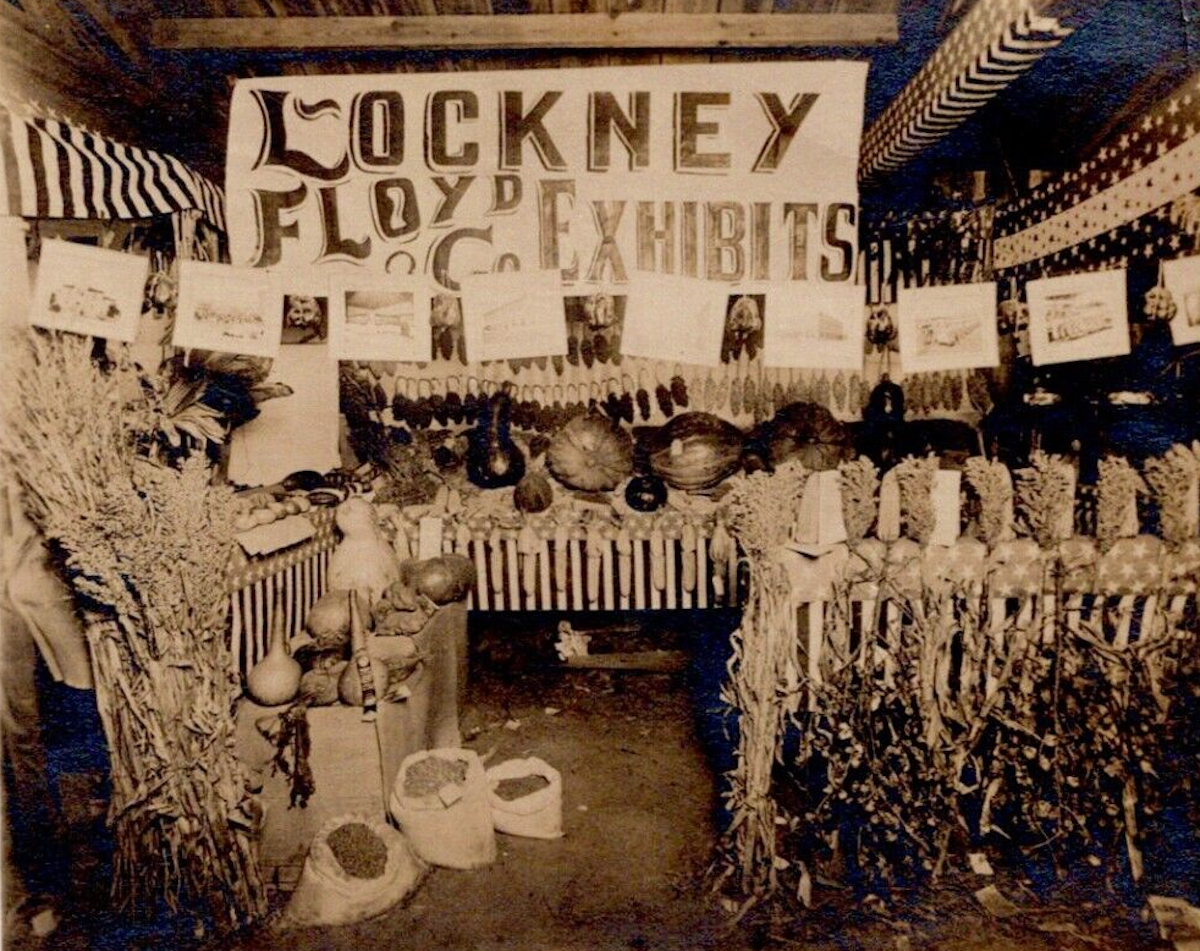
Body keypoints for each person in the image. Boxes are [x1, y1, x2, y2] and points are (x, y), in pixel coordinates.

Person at [1, 483, 94, 942]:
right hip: (17, 606)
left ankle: (74, 885)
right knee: (27, 743)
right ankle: (50, 888)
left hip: (49, 594)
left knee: (70, 732)